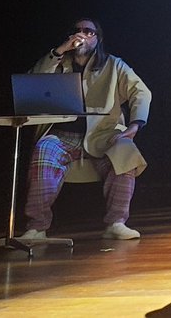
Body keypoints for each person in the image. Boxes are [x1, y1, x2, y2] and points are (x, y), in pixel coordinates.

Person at [22, 18, 152, 241]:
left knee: (126, 151)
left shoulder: (114, 65)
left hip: (102, 135)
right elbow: (32, 82)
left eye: (88, 31)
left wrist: (133, 126)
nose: (81, 34)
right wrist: (59, 51)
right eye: (77, 31)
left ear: (97, 39)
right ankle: (37, 227)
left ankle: (116, 222)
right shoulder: (58, 62)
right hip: (62, 136)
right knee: (45, 148)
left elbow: (141, 92)